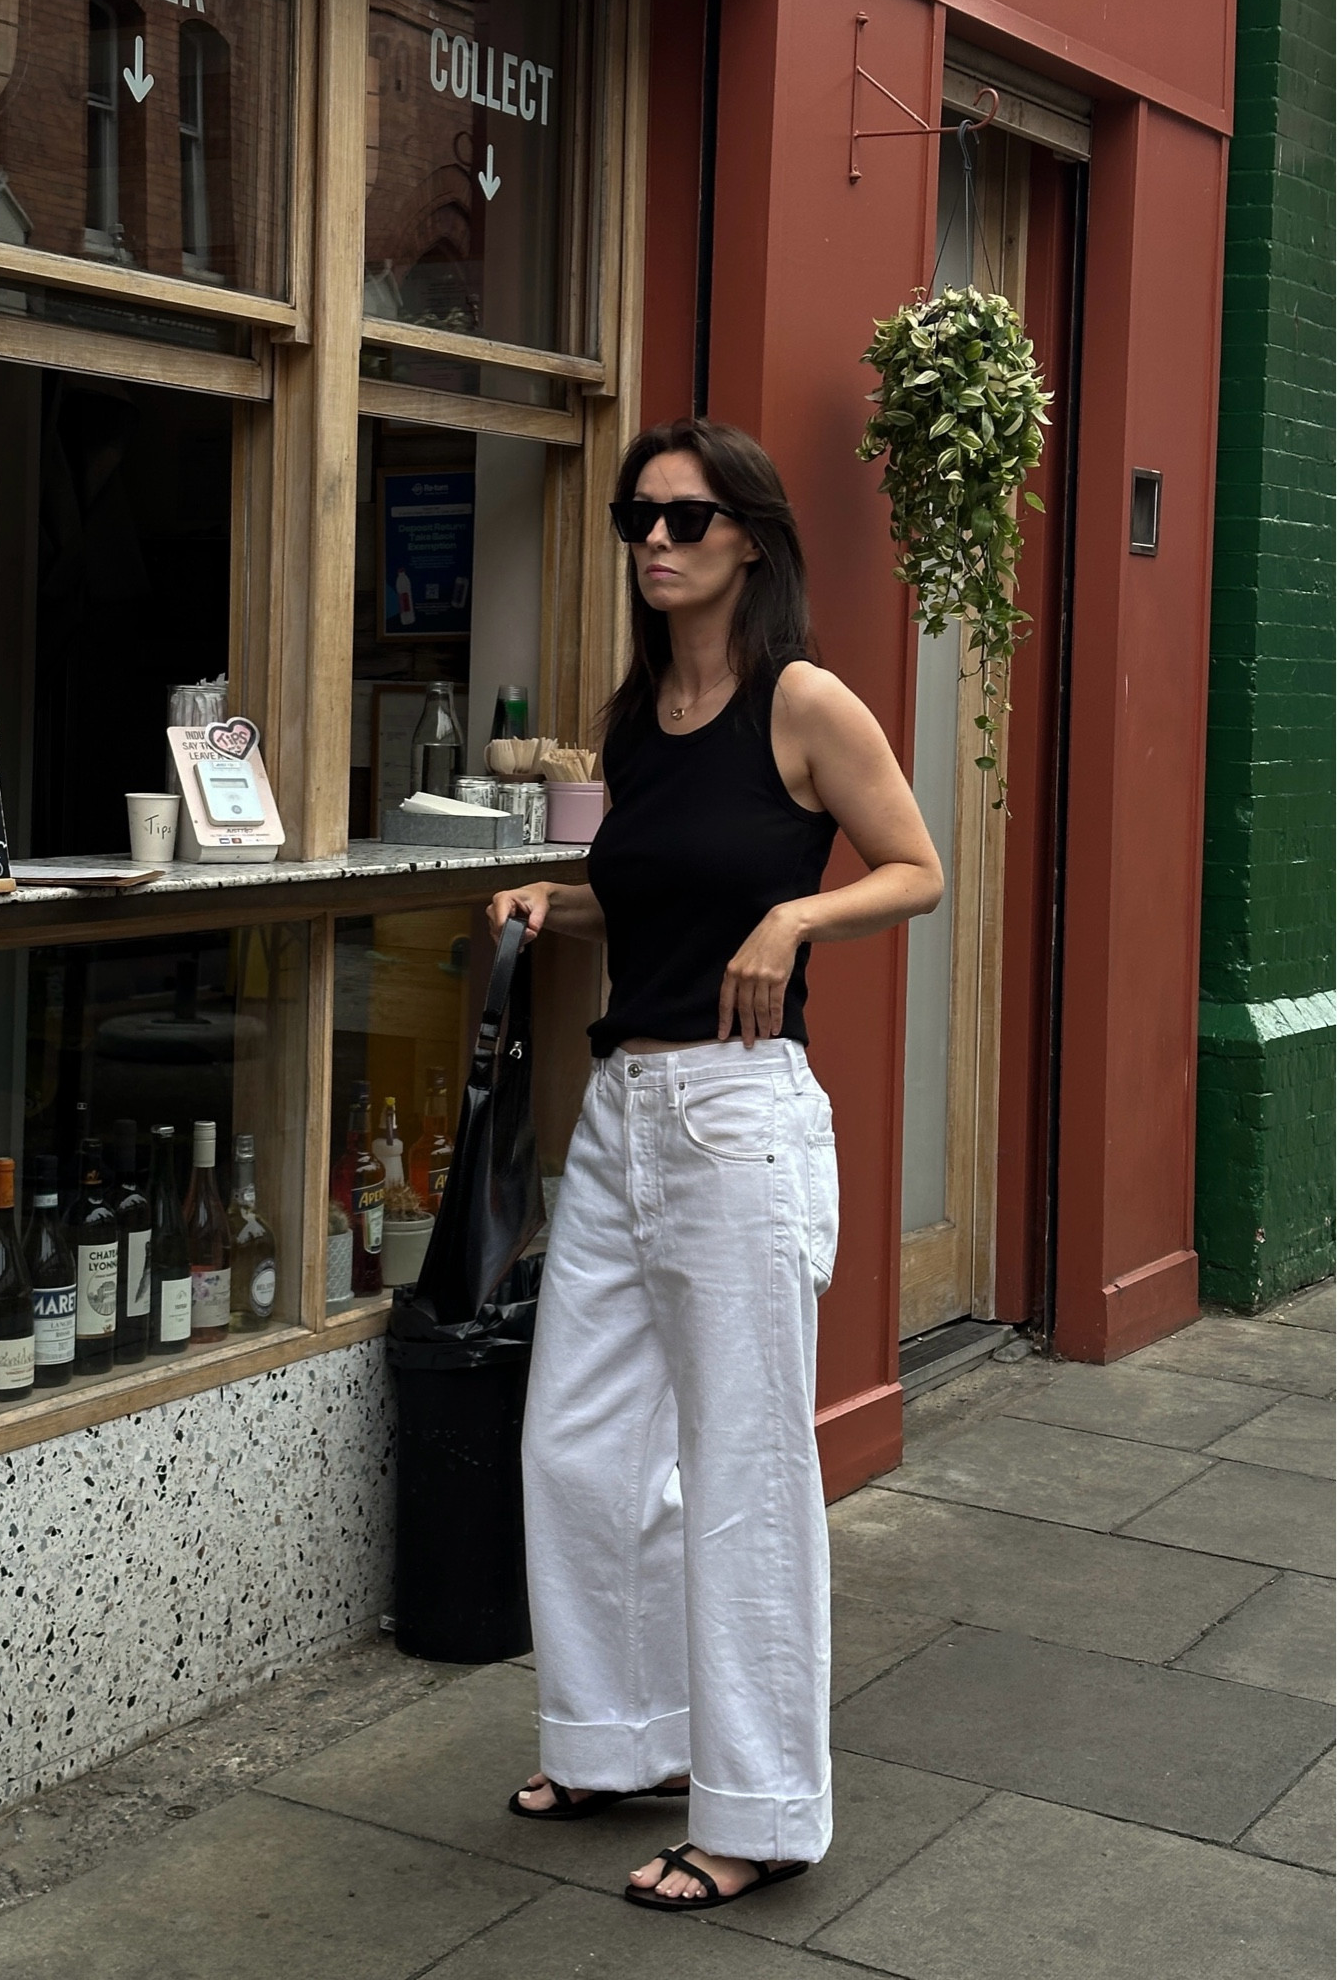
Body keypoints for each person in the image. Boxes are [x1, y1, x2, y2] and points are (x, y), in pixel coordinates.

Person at [487, 417, 942, 1915]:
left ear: (751, 534)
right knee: (581, 1440)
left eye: (684, 516)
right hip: (624, 1110)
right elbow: (662, 897)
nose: (655, 540)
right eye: (638, 517)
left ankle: (757, 1812)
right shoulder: (633, 718)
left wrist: (795, 921)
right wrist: (563, 899)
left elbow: (916, 866)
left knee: (745, 1468)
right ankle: (621, 1738)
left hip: (739, 1118)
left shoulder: (803, 702)